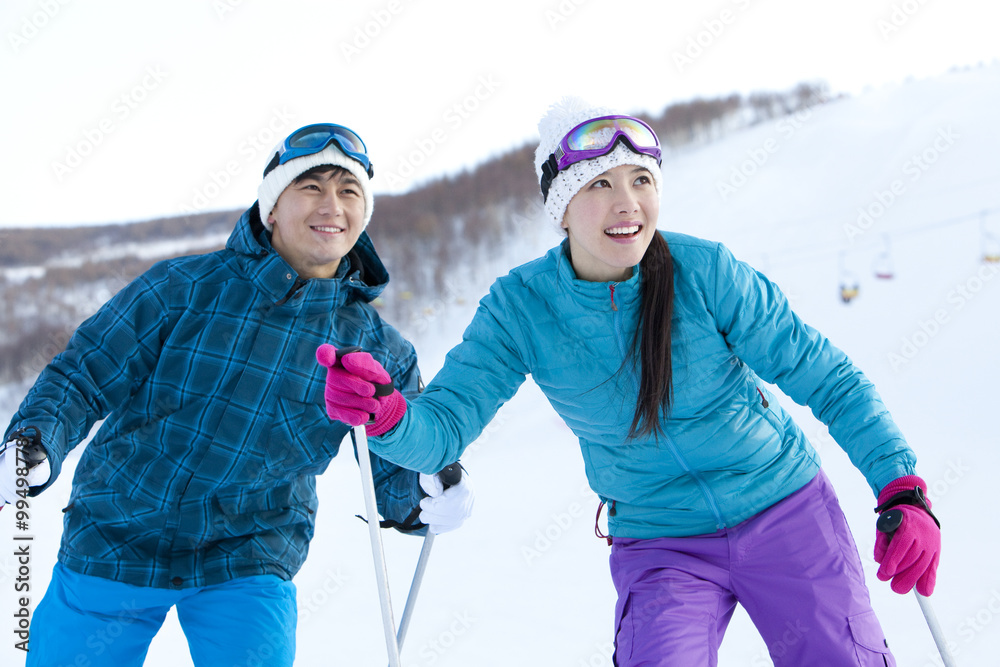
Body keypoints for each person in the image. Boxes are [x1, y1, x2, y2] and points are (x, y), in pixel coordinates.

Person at [316, 99, 941, 666]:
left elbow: (828, 378)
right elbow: (444, 427)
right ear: (560, 208)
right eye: (600, 185)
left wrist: (901, 486)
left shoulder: (708, 272)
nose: (628, 203)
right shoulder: (521, 308)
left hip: (785, 511)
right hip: (662, 542)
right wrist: (387, 418)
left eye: (642, 180)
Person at [0, 122, 474, 667]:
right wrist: (36, 441)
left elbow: (395, 466)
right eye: (311, 187)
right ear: (272, 208)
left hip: (249, 557)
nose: (332, 205)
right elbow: (83, 374)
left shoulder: (376, 349)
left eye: (349, 192)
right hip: (116, 537)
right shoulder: (182, 289)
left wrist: (428, 492)